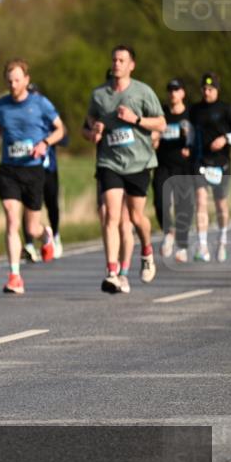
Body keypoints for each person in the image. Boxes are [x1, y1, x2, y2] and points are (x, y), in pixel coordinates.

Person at [0, 59, 64, 294]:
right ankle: (15, 275)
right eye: (9, 80)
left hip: (33, 170)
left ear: (26, 79)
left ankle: (45, 234)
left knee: (31, 227)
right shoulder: (0, 106)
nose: (13, 84)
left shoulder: (41, 103)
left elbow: (60, 129)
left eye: (17, 80)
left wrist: (45, 143)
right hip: (9, 170)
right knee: (12, 220)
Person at [86, 45, 166, 292]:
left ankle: (147, 251)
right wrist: (95, 128)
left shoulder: (143, 92)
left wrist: (137, 120)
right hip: (110, 162)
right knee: (111, 216)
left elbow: (162, 123)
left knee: (135, 217)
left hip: (139, 162)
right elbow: (90, 119)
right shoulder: (99, 95)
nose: (117, 64)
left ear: (132, 65)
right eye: (114, 60)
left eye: (122, 60)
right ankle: (112, 272)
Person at [188, 72, 231, 263]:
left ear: (217, 90)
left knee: (221, 204)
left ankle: (222, 240)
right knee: (201, 201)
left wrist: (225, 139)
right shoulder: (195, 109)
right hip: (201, 162)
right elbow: (189, 131)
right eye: (204, 89)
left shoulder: (226, 109)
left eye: (210, 89)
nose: (207, 92)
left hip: (221, 163)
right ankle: (203, 245)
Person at [152, 78, 195, 263]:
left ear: (183, 93)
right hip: (163, 164)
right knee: (160, 201)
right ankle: (168, 233)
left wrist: (190, 144)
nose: (172, 93)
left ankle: (183, 246)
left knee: (183, 206)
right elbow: (153, 137)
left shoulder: (190, 114)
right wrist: (155, 138)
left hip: (183, 166)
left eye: (176, 90)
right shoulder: (161, 114)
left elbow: (198, 138)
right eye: (170, 90)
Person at [23, 83, 66, 262]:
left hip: (49, 168)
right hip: (29, 168)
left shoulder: (49, 118)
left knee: (51, 203)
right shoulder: (24, 121)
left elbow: (64, 136)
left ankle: (55, 235)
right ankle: (29, 243)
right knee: (28, 206)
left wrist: (46, 140)